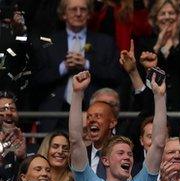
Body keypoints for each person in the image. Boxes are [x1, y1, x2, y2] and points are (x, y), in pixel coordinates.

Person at [32, 0, 121, 130]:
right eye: (73, 9)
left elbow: (116, 76)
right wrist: (64, 67)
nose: (78, 14)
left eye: (83, 9)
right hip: (55, 114)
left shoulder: (105, 42)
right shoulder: (48, 42)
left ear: (89, 14)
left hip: (93, 113)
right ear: (63, 14)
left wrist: (87, 64)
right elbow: (37, 78)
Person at [136, 0, 180, 110]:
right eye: (162, 14)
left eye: (171, 13)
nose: (167, 17)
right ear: (155, 19)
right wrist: (158, 45)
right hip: (153, 106)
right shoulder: (144, 44)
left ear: (179, 17)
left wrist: (175, 42)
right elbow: (143, 75)